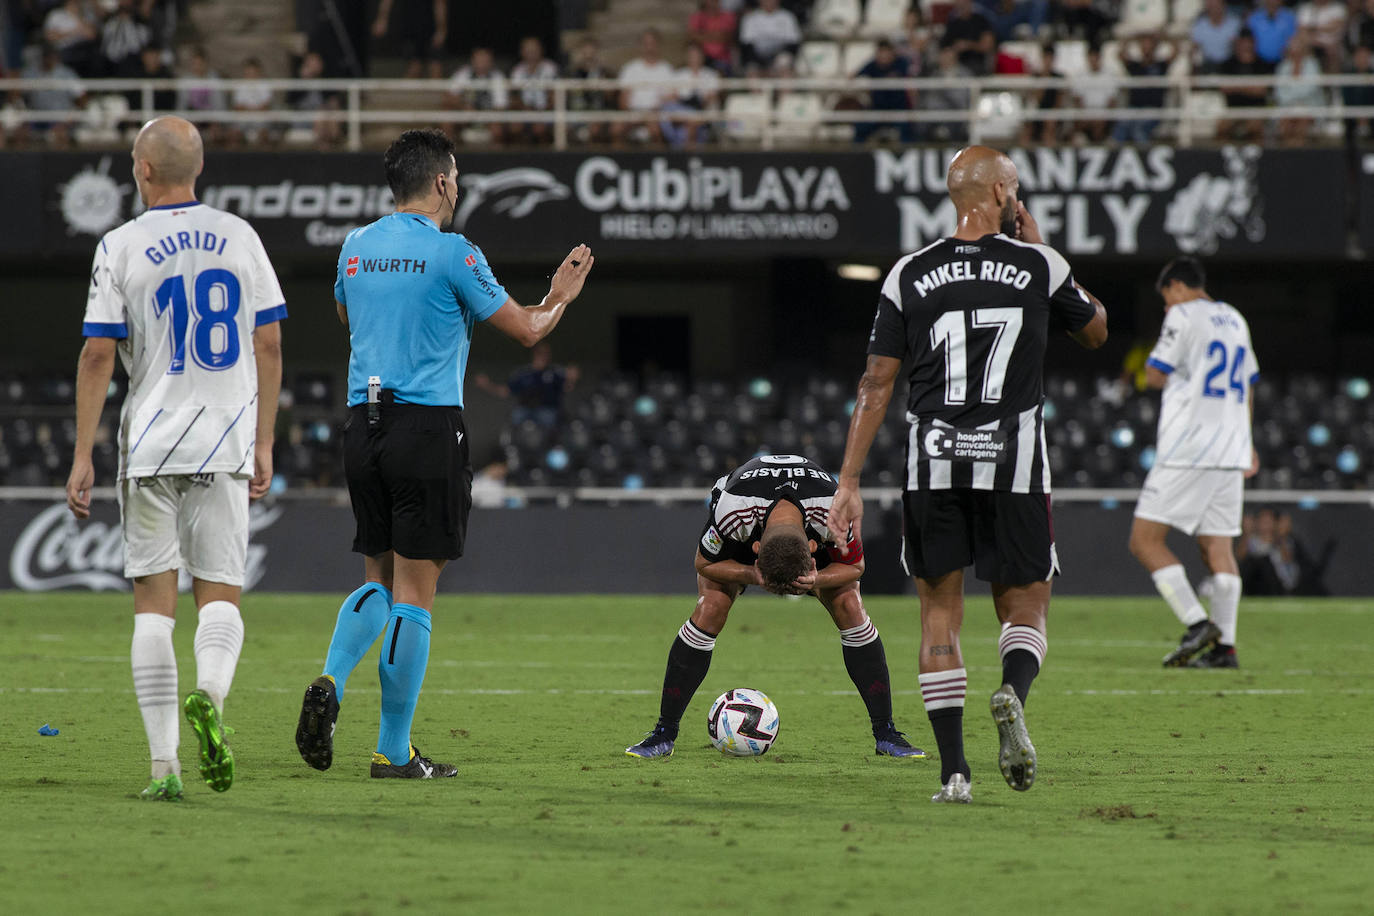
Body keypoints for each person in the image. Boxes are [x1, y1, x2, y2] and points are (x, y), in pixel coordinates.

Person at [294, 128, 593, 779]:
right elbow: (527, 329)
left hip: (361, 427)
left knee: (375, 575)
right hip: (426, 428)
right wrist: (561, 294)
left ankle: (330, 677)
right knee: (415, 592)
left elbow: (352, 320)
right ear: (440, 183)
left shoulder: (354, 247)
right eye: (455, 177)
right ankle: (393, 752)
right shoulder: (454, 252)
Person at [826, 146, 1108, 804]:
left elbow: (876, 383)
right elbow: (1096, 331)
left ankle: (954, 773)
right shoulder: (1038, 264)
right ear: (1004, 191)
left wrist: (848, 479)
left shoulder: (908, 273)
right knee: (1026, 604)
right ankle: (1013, 689)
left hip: (934, 464)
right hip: (1015, 463)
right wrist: (1041, 244)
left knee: (937, 617)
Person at [65, 116, 286, 801]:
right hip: (224, 439)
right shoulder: (241, 236)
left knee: (153, 609)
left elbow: (99, 351)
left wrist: (81, 455)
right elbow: (270, 344)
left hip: (152, 443)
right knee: (219, 593)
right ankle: (210, 700)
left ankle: (164, 770)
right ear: (198, 169)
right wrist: (264, 441)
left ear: (144, 170)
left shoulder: (121, 244)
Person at [624, 454, 927, 761]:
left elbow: (856, 566)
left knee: (850, 605)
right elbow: (703, 562)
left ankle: (885, 732)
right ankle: (664, 733)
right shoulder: (733, 512)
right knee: (711, 607)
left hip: (807, 527)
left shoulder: (832, 513)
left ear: (813, 549)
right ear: (755, 550)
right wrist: (749, 573)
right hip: (740, 536)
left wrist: (817, 578)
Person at [1127, 256, 1258, 671]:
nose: (1167, 307)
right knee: (1217, 546)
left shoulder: (1183, 315)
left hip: (1189, 447)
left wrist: (1158, 356)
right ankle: (1226, 649)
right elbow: (1249, 385)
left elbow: (1154, 376)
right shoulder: (1235, 319)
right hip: (1231, 447)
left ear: (1178, 286)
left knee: (1144, 540)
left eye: (1167, 298)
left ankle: (1196, 621)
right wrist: (1248, 443)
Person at [474, 341, 579, 428]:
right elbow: (505, 391)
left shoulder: (554, 372)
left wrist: (572, 378)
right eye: (540, 353)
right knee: (515, 416)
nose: (542, 357)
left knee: (548, 418)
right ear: (534, 354)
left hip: (547, 409)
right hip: (526, 410)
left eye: (545, 354)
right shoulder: (523, 374)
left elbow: (567, 387)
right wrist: (487, 385)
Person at [613, 28, 676, 145]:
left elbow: (671, 98)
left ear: (658, 45)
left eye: (652, 43)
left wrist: (652, 112)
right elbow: (623, 99)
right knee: (616, 129)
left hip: (656, 114)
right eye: (646, 44)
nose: (649, 47)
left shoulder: (666, 69)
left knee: (655, 130)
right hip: (633, 113)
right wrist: (635, 115)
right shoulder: (630, 69)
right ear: (641, 46)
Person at [1113, 33, 1176, 144]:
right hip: (1134, 108)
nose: (1146, 49)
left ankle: (1142, 157)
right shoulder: (1135, 66)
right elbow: (1120, 55)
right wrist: (1130, 38)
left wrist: (1165, 37)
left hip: (1153, 110)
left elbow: (1176, 52)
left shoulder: (1160, 65)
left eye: (1149, 46)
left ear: (1154, 48)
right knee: (1121, 127)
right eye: (1144, 45)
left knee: (1138, 130)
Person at [443, 47, 509, 145]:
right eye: (478, 59)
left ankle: (496, 157)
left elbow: (500, 106)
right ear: (472, 60)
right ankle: (452, 155)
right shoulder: (464, 74)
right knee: (447, 119)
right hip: (466, 115)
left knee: (497, 128)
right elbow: (448, 96)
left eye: (485, 60)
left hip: (489, 118)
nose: (481, 63)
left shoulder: (497, 77)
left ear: (491, 62)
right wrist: (463, 106)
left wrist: (483, 116)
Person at [855, 39, 915, 144]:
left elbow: (912, 83)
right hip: (877, 109)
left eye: (886, 52)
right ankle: (857, 156)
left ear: (892, 53)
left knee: (908, 130)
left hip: (898, 109)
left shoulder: (902, 63)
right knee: (861, 128)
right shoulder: (872, 65)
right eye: (881, 52)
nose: (884, 56)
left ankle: (907, 157)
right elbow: (853, 76)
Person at [1217, 30, 1273, 142]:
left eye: (1248, 43)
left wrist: (1236, 87)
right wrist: (1249, 87)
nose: (1245, 46)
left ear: (1254, 44)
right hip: (1232, 110)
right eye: (1243, 43)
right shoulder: (1228, 64)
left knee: (1255, 128)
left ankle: (1257, 157)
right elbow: (1224, 88)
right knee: (1222, 128)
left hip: (1256, 110)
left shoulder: (1262, 64)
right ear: (1238, 43)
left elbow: (1261, 91)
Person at [371, 0, 446, 79]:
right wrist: (382, 19)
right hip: (411, 28)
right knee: (415, 67)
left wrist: (441, 29)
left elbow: (440, 3)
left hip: (430, 28)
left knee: (435, 67)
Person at [738, 0, 801, 74]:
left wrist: (774, 61)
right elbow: (746, 46)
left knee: (785, 65)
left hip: (780, 56)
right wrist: (763, 64)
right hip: (756, 58)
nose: (769, 1)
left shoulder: (788, 17)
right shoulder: (750, 18)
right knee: (752, 70)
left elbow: (793, 44)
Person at [688, 0, 738, 74]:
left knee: (722, 72)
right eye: (710, 1)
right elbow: (693, 36)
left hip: (722, 58)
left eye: (714, 1)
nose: (711, 3)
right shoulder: (697, 17)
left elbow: (726, 37)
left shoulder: (728, 16)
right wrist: (716, 35)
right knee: (694, 52)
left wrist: (703, 35)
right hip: (703, 58)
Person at [1192, 0, 1242, 72]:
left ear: (1223, 5)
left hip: (1230, 65)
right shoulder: (1199, 25)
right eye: (1211, 5)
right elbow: (1195, 48)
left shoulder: (1235, 24)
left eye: (1217, 4)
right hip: (1207, 66)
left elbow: (1239, 48)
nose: (1214, 8)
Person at [1248, 0, 1298, 65]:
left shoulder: (1289, 17)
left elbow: (1293, 39)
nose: (1272, 1)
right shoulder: (1254, 17)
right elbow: (1249, 40)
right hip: (1258, 62)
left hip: (1283, 60)